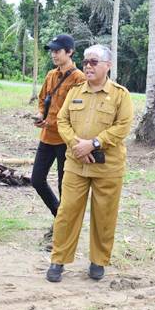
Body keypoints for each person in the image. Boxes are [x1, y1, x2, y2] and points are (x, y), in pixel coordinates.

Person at [45, 45, 133, 283]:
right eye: (85, 62)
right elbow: (62, 120)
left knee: (104, 215)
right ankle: (58, 260)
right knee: (67, 212)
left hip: (108, 166)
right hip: (76, 163)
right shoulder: (75, 91)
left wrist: (94, 144)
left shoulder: (120, 95)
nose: (88, 66)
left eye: (94, 62)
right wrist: (77, 145)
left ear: (108, 66)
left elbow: (123, 126)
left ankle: (98, 261)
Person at [32, 34, 86, 249]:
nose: (53, 54)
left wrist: (52, 122)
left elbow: (78, 111)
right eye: (52, 51)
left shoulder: (79, 79)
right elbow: (42, 99)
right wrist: (40, 114)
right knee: (37, 180)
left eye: (58, 51)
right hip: (47, 138)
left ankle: (62, 232)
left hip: (66, 141)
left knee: (65, 187)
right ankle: (59, 217)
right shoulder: (51, 75)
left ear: (70, 52)